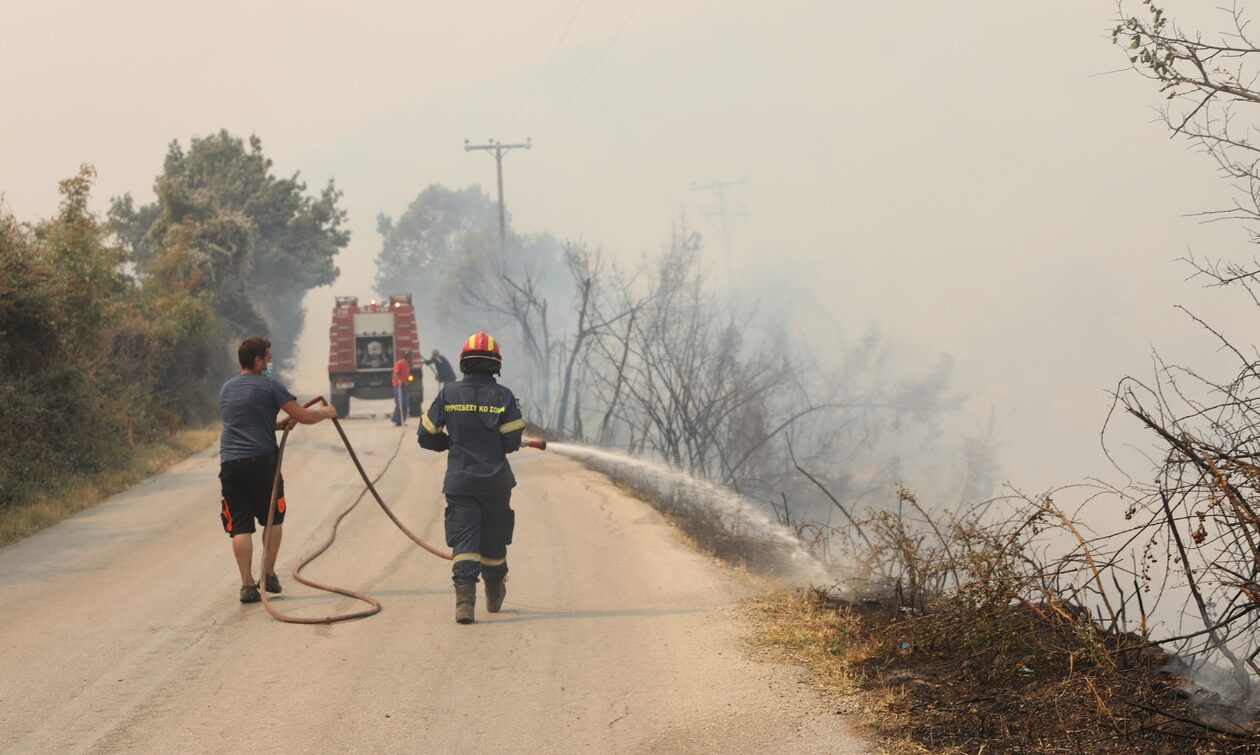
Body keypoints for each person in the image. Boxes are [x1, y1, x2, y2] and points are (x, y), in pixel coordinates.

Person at [417, 331, 525, 624]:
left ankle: (464, 603)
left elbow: (426, 437)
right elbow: (511, 442)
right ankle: (493, 593)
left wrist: (449, 443)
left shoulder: (448, 394)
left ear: (464, 363)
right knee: (493, 542)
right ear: (495, 365)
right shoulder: (503, 397)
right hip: (496, 484)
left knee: (464, 541)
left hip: (461, 483)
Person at [219, 336, 337, 604]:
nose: (270, 364)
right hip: (262, 463)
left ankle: (247, 585)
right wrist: (327, 413)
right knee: (274, 518)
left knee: (240, 527)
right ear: (257, 360)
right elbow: (305, 416)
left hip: (230, 465)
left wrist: (277, 425)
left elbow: (242, 422)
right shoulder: (270, 385)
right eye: (268, 359)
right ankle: (269, 574)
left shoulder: (226, 389)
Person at [391, 349, 413, 426]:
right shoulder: (400, 363)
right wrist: (399, 380)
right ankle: (396, 419)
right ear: (407, 357)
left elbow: (408, 376)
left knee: (406, 403)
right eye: (410, 356)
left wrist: (408, 381)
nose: (411, 358)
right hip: (398, 386)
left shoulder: (408, 365)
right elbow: (395, 374)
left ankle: (402, 420)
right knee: (400, 402)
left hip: (404, 387)